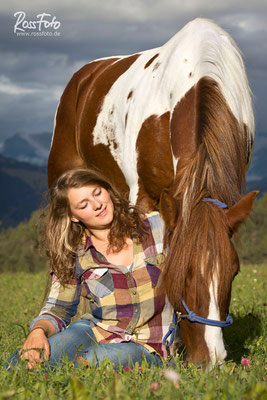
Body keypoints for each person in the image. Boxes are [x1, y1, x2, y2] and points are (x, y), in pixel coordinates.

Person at [6, 168, 176, 370]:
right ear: (73, 216)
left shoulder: (155, 227)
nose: (97, 205)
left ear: (108, 190)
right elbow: (58, 308)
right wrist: (38, 332)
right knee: (26, 361)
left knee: (91, 362)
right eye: (84, 205)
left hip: (150, 344)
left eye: (97, 193)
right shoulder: (75, 252)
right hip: (94, 331)